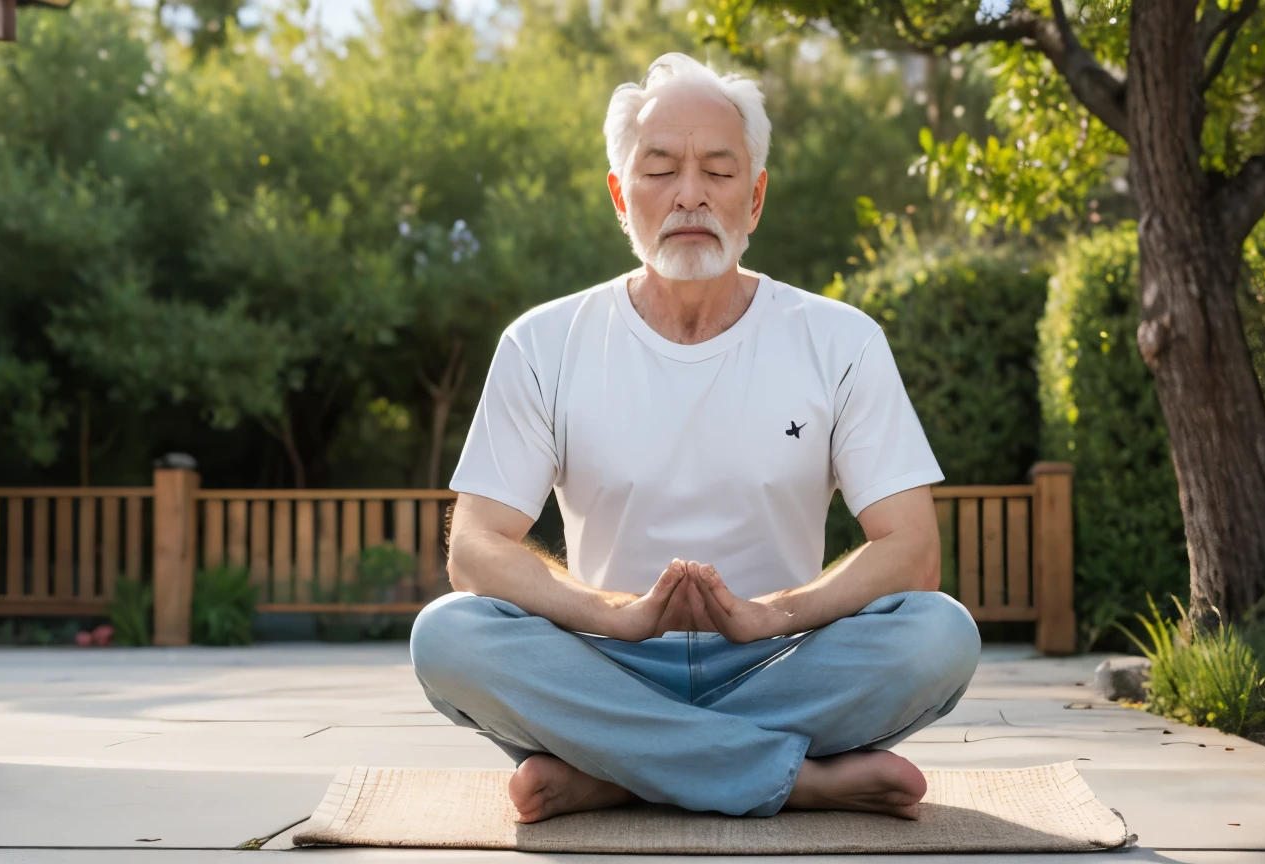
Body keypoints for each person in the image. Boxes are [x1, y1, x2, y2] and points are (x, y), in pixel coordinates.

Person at [409, 52, 980, 825]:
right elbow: (474, 547)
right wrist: (611, 613)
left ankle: (614, 771)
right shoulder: (542, 342)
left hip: (780, 660)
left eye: (718, 170)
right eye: (660, 171)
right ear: (619, 195)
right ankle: (793, 779)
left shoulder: (840, 340)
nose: (689, 195)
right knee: (447, 636)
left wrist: (770, 614)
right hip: (604, 661)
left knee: (939, 634)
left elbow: (912, 548)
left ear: (756, 196)